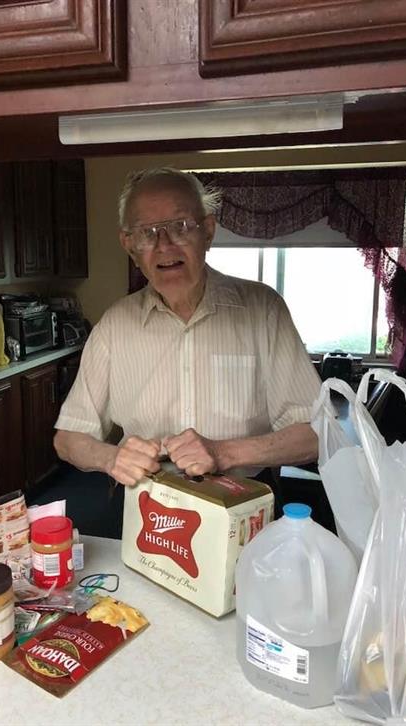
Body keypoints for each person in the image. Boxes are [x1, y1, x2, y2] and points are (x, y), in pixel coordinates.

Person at [53, 167, 321, 524]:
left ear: (207, 231)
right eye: (147, 233)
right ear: (129, 245)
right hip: (146, 509)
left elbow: (316, 434)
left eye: (180, 226)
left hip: (241, 506)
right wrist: (110, 458)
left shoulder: (262, 309)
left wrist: (223, 452)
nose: (164, 245)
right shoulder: (114, 325)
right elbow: (68, 437)